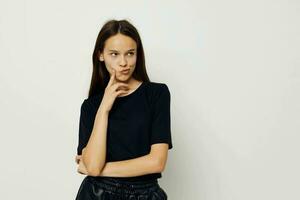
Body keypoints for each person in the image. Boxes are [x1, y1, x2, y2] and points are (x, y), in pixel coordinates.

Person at [74, 19, 173, 200]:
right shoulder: (91, 107)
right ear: (100, 55)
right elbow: (94, 166)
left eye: (130, 53)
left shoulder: (156, 94)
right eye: (114, 54)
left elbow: (157, 162)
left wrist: (99, 169)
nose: (123, 62)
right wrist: (104, 108)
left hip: (145, 194)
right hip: (97, 193)